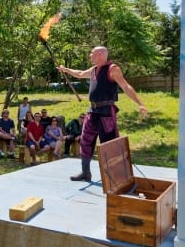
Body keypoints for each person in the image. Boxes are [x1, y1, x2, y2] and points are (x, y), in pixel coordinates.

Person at [58, 46, 148, 182]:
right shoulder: (94, 69)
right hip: (92, 111)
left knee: (109, 144)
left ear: (100, 54)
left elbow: (126, 86)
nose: (89, 55)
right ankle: (85, 172)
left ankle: (114, 176)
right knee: (86, 140)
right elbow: (80, 74)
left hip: (106, 112)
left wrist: (140, 103)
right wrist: (66, 70)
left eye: (92, 53)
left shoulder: (112, 69)